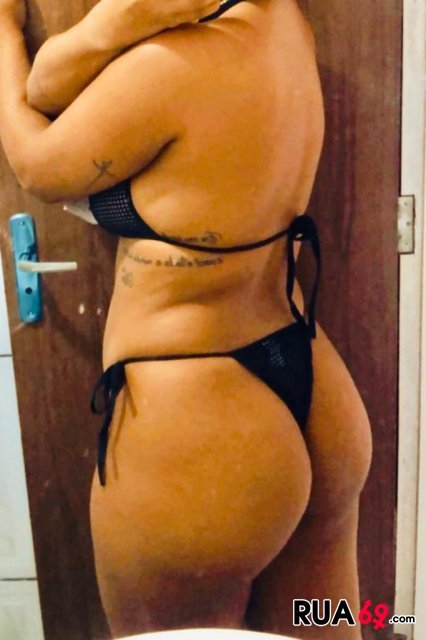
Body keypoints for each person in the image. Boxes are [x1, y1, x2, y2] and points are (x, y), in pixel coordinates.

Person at [0, 0, 372, 637]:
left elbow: (36, 162)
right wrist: (122, 21)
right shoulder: (284, 24)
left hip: (202, 430)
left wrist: (6, 32)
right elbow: (51, 84)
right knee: (323, 626)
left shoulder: (169, 68)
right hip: (316, 398)